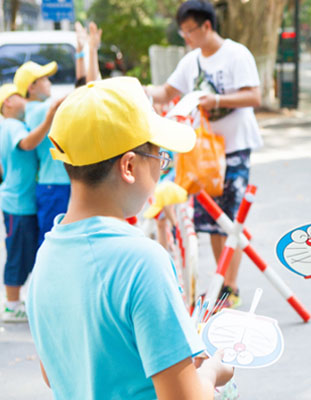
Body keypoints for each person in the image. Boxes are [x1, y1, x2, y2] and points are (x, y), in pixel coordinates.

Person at [26, 77, 233, 398]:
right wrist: (213, 371)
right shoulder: (142, 261)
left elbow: (53, 373)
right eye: (160, 158)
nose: (161, 170)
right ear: (129, 166)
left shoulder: (45, 258)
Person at [146, 0, 262, 308]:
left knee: (232, 220)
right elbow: (166, 92)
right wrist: (142, 91)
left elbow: (255, 95)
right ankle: (220, 281)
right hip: (201, 155)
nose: (186, 37)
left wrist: (217, 99)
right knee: (211, 219)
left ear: (207, 26)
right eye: (182, 31)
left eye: (189, 31)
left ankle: (231, 287)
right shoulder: (191, 61)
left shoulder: (236, 54)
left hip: (234, 148)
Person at [0, 84, 61, 322]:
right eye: (18, 96)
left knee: (24, 251)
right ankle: (11, 304)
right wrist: (48, 119)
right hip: (18, 203)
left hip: (20, 200)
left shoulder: (9, 125)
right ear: (8, 103)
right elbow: (27, 144)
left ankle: (15, 301)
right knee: (17, 251)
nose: (24, 100)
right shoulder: (12, 125)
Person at [14, 61, 71, 248]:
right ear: (32, 87)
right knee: (52, 240)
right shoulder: (38, 110)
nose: (49, 82)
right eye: (44, 79)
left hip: (54, 184)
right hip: (54, 185)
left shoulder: (36, 110)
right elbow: (70, 99)